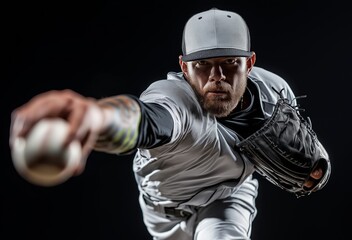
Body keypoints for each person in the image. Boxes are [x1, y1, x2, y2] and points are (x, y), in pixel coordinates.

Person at [9, 8, 329, 240]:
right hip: (163, 213)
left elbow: (313, 159)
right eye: (203, 64)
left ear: (249, 62)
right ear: (184, 68)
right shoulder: (175, 99)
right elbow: (145, 120)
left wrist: (319, 170)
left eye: (229, 63)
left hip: (228, 196)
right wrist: (97, 115)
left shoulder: (275, 91)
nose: (216, 77)